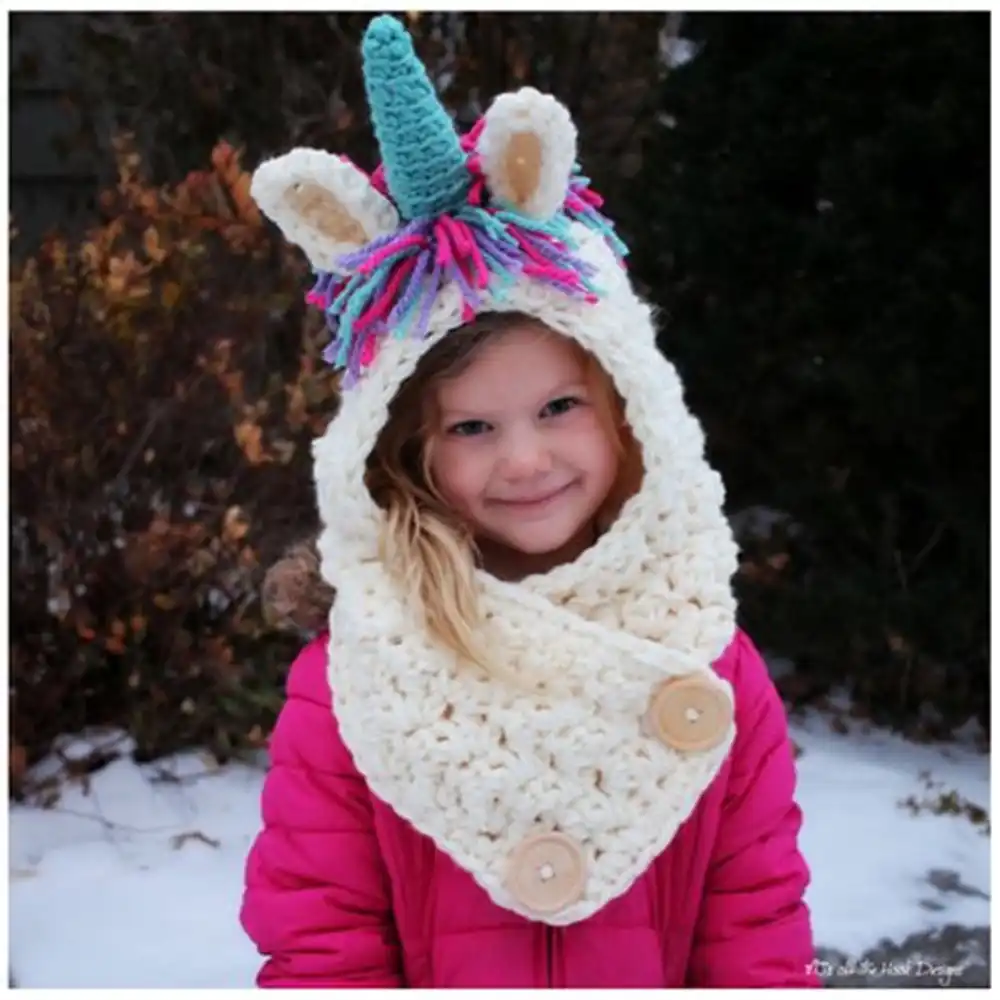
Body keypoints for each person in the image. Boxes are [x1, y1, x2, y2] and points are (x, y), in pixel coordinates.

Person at [239, 14, 820, 989]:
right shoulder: (357, 679)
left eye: (559, 407)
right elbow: (321, 943)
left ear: (632, 409)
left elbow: (758, 926)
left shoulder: (707, 662)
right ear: (401, 455)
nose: (526, 457)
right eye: (471, 427)